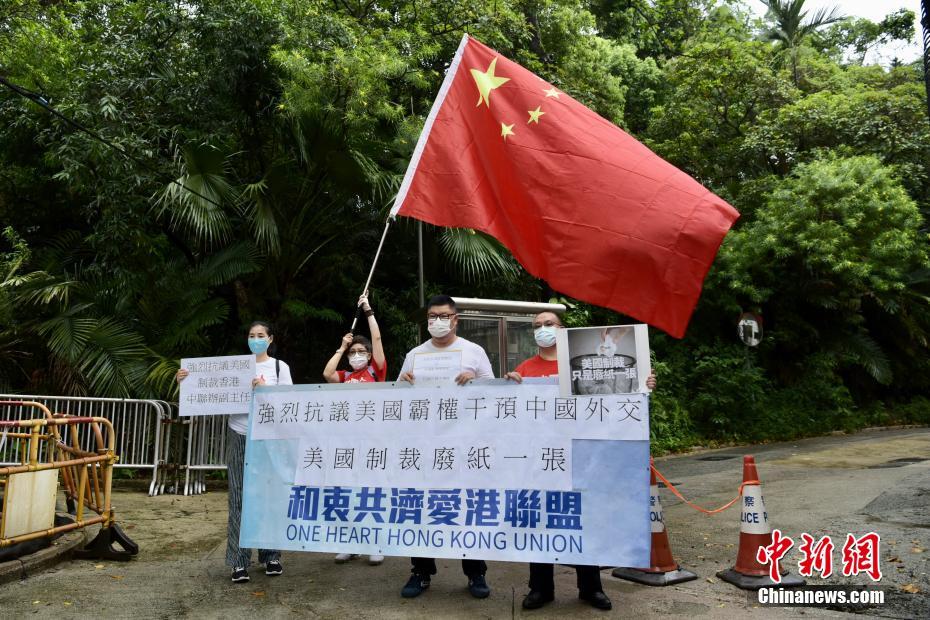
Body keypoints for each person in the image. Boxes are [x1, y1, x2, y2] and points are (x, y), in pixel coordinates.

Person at [505, 311, 656, 611]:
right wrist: (508, 387)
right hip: (541, 459)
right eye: (537, 326)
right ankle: (540, 588)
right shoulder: (524, 369)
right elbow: (512, 417)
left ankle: (590, 588)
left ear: (562, 330)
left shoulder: (585, 366)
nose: (543, 330)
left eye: (549, 325)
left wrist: (642, 388)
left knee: (584, 520)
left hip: (582, 456)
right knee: (541, 522)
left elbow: (614, 403)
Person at [176, 321, 292, 584]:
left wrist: (264, 389)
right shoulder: (234, 366)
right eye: (252, 335)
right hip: (239, 433)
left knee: (268, 496)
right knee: (239, 497)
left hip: (268, 437)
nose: (256, 339)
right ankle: (239, 561)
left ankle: (271, 555)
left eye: (261, 335)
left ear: (271, 339)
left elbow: (289, 401)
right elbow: (204, 386)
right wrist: (185, 378)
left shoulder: (278, 367)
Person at [397, 294, 494, 599]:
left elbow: (493, 394)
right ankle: (421, 571)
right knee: (424, 507)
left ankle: (475, 572)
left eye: (443, 316)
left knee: (466, 507)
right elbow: (397, 399)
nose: (437, 321)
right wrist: (405, 381)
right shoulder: (415, 354)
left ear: (455, 319)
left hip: (464, 445)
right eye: (432, 316)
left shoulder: (473, 352)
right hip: (426, 445)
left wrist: (474, 381)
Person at [323, 293, 386, 565]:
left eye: (362, 352)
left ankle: (376, 543)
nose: (357, 355)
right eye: (354, 353)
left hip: (373, 441)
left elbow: (378, 341)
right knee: (348, 491)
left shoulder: (375, 372)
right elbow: (327, 374)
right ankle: (349, 542)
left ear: (369, 356)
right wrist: (341, 346)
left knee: (371, 491)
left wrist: (368, 311)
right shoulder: (346, 375)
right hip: (347, 442)